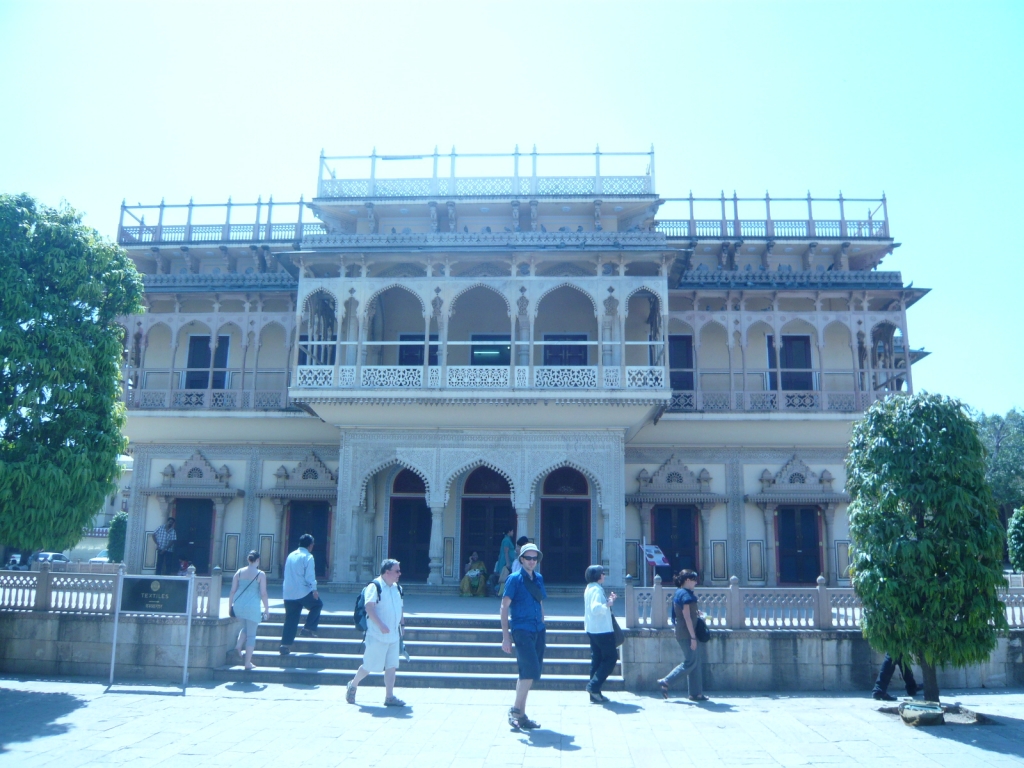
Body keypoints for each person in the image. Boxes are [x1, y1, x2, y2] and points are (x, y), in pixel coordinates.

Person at [347, 559, 407, 707]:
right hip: (377, 635)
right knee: (368, 666)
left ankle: (389, 696)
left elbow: (400, 608)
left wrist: (402, 624)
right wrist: (381, 625)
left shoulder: (397, 588)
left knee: (392, 666)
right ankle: (353, 685)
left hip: (393, 635)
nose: (399, 574)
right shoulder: (375, 586)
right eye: (397, 571)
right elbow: (369, 607)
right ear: (387, 572)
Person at [501, 543, 546, 729]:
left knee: (527, 673)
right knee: (530, 670)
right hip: (521, 629)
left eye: (535, 558)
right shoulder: (514, 579)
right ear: (522, 559)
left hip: (538, 629)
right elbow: (504, 607)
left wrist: (543, 623)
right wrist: (505, 636)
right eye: (529, 558)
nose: (532, 561)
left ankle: (521, 715)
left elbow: (540, 602)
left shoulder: (539, 579)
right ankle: (515, 710)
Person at [656, 569, 708, 702]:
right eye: (694, 580)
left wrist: (697, 613)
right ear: (687, 580)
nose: (696, 583)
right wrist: (692, 637)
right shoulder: (685, 594)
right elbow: (686, 617)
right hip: (686, 632)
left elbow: (687, 613)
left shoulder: (680, 593)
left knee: (695, 662)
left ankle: (696, 694)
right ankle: (666, 681)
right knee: (690, 661)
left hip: (684, 631)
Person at [279, 533, 322, 655]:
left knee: (291, 619)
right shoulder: (308, 557)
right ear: (310, 545)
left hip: (288, 592)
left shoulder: (291, 555)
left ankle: (285, 645)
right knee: (317, 605)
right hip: (302, 591)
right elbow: (309, 576)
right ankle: (308, 628)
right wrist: (314, 589)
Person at [229, 550, 270, 671]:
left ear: (248, 560)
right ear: (257, 560)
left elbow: (232, 591)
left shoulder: (239, 572)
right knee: (251, 635)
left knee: (246, 628)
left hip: (239, 605)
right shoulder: (260, 574)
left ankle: (238, 645)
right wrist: (267, 609)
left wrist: (230, 606)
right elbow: (263, 593)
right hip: (252, 606)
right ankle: (247, 663)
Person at [583, 564, 618, 703]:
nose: (604, 575)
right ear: (597, 575)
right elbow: (596, 608)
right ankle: (593, 686)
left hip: (592, 628)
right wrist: (607, 605)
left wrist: (609, 601)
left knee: (596, 659)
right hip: (602, 630)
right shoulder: (597, 590)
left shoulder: (589, 588)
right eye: (602, 573)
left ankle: (595, 693)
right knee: (611, 658)